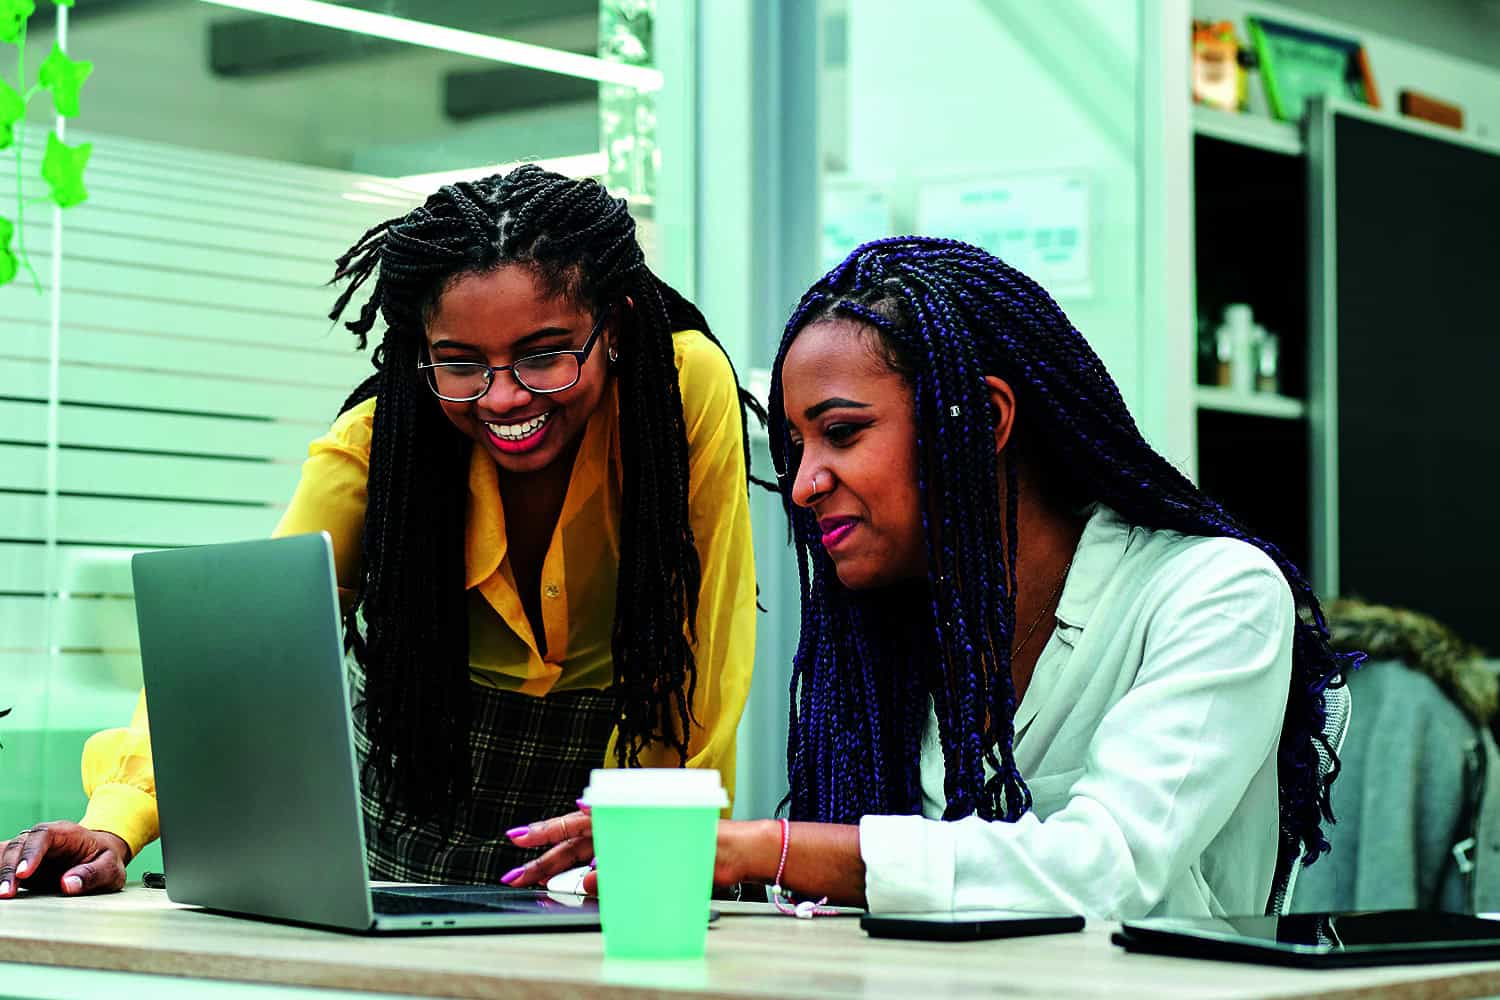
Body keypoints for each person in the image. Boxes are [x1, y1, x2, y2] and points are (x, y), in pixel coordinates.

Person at [514, 236, 1356, 916]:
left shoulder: (1214, 594)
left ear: (982, 419)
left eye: (841, 433)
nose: (803, 484)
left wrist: (764, 846)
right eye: (797, 447)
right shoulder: (899, 624)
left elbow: (1107, 872)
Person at [0, 166, 761, 899]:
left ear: (617, 326)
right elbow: (244, 655)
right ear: (418, 352)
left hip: (607, 787)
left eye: (543, 355)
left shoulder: (677, 386)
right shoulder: (377, 445)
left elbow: (707, 634)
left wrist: (664, 824)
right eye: (460, 364)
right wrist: (116, 824)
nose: (502, 397)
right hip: (416, 783)